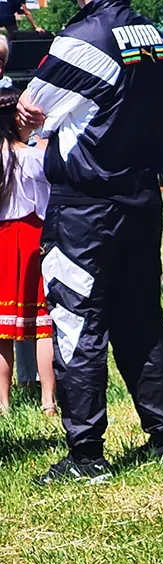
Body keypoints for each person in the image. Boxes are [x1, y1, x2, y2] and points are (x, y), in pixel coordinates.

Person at [18, 0, 163, 483]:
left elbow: (33, 107)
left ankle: (86, 454)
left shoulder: (83, 38)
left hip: (86, 204)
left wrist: (37, 122)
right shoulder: (151, 34)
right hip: (140, 197)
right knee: (142, 316)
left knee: (76, 320)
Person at [0, 88, 55, 414]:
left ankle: (2, 403)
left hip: (4, 241)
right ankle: (49, 400)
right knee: (43, 325)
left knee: (2, 328)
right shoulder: (36, 158)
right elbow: (48, 205)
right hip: (35, 239)